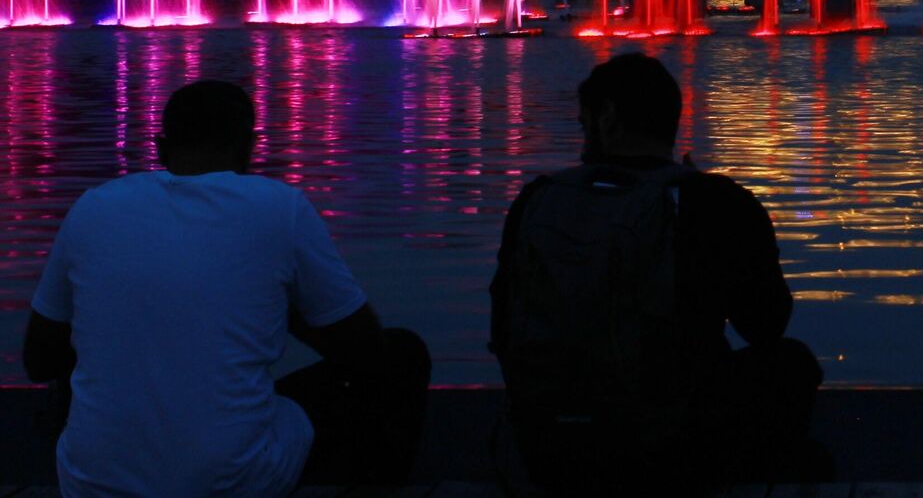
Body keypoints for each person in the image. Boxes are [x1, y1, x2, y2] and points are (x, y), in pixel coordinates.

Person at [23, 80, 429, 495]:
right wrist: (283, 312)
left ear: (161, 148)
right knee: (402, 355)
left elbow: (38, 360)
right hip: (233, 481)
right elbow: (364, 351)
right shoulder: (279, 208)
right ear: (249, 146)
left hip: (92, 484)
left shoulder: (93, 207)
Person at [491, 53, 823, 491]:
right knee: (791, 363)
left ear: (606, 118)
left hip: (553, 448)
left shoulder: (536, 200)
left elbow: (503, 331)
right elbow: (767, 325)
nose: (582, 139)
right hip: (670, 450)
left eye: (581, 124)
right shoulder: (715, 201)